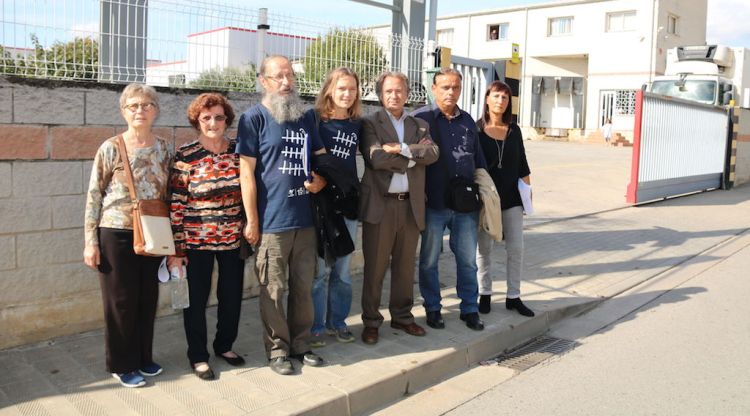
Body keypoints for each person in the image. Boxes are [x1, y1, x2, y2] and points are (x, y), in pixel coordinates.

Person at [236, 55, 327, 375]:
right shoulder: (253, 118)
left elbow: (320, 161)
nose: (287, 81)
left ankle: (301, 344)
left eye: (290, 75)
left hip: (305, 219)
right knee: (273, 290)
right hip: (272, 222)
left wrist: (322, 181)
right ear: (264, 81)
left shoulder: (305, 118)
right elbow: (245, 173)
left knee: (303, 288)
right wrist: (252, 220)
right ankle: (277, 350)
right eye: (279, 76)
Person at [83, 83, 173, 388]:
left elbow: (170, 191)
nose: (140, 110)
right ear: (124, 111)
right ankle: (122, 364)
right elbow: (94, 194)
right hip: (116, 232)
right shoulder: (111, 147)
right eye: (133, 105)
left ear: (156, 111)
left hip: (153, 230)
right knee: (120, 300)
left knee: (147, 298)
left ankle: (143, 357)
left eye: (146, 105)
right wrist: (90, 242)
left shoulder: (163, 147)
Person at [168, 93, 246, 380]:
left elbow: (251, 192)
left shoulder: (240, 150)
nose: (213, 123)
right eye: (206, 118)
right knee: (196, 300)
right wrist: (176, 248)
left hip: (233, 240)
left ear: (227, 120)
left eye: (219, 117)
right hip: (196, 241)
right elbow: (175, 203)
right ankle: (198, 356)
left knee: (231, 297)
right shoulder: (186, 155)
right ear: (197, 121)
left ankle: (224, 346)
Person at [359, 72, 439, 345]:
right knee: (375, 268)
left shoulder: (420, 125)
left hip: (411, 206)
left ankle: (403, 316)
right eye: (389, 91)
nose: (395, 95)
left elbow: (433, 153)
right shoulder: (369, 122)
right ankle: (371, 321)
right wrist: (413, 158)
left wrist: (403, 148)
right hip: (381, 206)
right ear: (381, 94)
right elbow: (376, 158)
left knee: (406, 267)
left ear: (407, 94)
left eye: (400, 90)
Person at [413, 68, 487, 331]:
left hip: (465, 205)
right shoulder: (421, 119)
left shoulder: (468, 121)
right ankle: (433, 308)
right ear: (434, 88)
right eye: (445, 87)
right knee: (429, 259)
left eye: (455, 87)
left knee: (467, 259)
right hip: (433, 203)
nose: (451, 92)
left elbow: (478, 159)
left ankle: (469, 308)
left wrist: (486, 194)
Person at [307, 68, 363, 347]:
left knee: (342, 272)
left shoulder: (357, 124)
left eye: (352, 89)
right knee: (319, 272)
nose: (347, 94)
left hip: (348, 205)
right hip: (321, 205)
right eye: (342, 88)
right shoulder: (315, 121)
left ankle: (337, 323)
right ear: (329, 89)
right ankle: (315, 326)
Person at [475, 81, 534, 317]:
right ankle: (485, 293)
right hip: (487, 202)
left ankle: (513, 296)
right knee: (484, 250)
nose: (501, 101)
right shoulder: (477, 130)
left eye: (505, 98)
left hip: (512, 200)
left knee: (516, 249)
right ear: (487, 98)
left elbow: (523, 164)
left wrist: (528, 194)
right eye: (497, 96)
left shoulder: (514, 130)